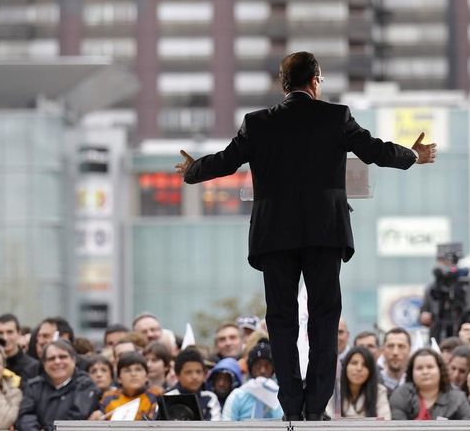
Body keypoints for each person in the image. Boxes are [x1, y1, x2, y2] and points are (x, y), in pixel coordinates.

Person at [176, 51, 436, 421]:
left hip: (273, 236)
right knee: (324, 319)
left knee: (281, 321)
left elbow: (225, 161)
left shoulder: (257, 123)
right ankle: (315, 408)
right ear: (315, 79)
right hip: (325, 233)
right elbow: (374, 151)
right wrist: (412, 154)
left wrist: (191, 171)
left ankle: (292, 406)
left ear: (284, 84)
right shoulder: (336, 117)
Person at [17, 340, 100, 430]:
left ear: (73, 360)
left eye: (62, 357)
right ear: (44, 364)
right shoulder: (33, 387)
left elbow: (77, 418)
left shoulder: (86, 385)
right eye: (51, 358)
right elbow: (25, 417)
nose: (57, 362)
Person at [420, 244, 470, 341]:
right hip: (440, 335)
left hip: (469, 336)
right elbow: (424, 312)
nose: (447, 265)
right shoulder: (433, 287)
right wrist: (426, 317)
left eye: (450, 261)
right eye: (443, 261)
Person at [390, 348, 470, 420]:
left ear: (440, 370)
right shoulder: (400, 395)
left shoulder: (457, 398)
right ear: (412, 372)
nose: (425, 372)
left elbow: (469, 425)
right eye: (419, 368)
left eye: (430, 367)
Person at [90, 352, 164, 421]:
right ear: (119, 378)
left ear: (146, 376)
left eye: (138, 369)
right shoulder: (109, 397)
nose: (133, 374)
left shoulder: (156, 395)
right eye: (127, 370)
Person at [221, 340, 283, 421]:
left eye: (267, 365)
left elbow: (284, 423)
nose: (262, 370)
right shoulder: (238, 395)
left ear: (273, 369)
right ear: (251, 368)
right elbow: (226, 424)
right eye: (258, 365)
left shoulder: (280, 395)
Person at [325, 346, 390, 419]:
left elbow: (385, 421)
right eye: (354, 363)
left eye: (364, 365)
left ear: (370, 370)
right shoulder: (333, 390)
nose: (359, 368)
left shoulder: (379, 391)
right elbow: (327, 419)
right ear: (346, 366)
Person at [165, 348, 221, 421]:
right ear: (177, 375)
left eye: (198, 372)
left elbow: (215, 426)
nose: (195, 377)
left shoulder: (210, 398)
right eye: (188, 372)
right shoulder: (167, 398)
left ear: (204, 374)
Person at [0, 314, 40, 382]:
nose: (5, 338)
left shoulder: (33, 367)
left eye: (10, 332)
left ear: (19, 334)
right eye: (0, 333)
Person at [379, 328, 412, 395]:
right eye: (390, 346)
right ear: (383, 350)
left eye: (401, 346)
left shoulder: (417, 384)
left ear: (409, 350)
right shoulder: (373, 382)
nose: (395, 352)